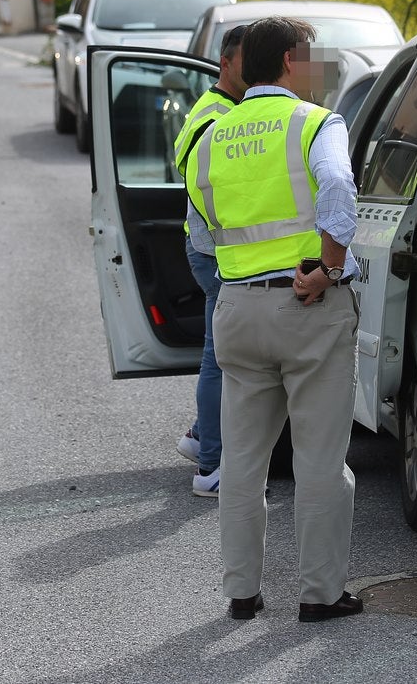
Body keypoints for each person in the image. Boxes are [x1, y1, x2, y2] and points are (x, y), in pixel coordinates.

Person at [183, 16, 362, 623]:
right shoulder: (314, 122)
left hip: (235, 307)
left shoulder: (209, 135)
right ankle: (320, 594)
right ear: (290, 61)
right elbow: (338, 184)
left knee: (242, 461)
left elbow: (203, 224)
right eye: (310, 59)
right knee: (319, 460)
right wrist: (331, 266)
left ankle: (241, 593)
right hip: (307, 301)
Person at [172, 25, 248, 497]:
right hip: (214, 251)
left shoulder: (224, 109)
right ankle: (212, 468)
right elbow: (208, 190)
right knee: (220, 360)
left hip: (208, 248)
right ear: (226, 63)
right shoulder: (218, 116)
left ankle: (201, 436)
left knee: (215, 353)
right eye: (249, 62)